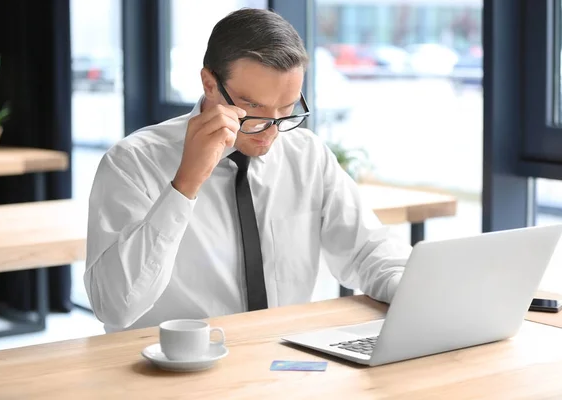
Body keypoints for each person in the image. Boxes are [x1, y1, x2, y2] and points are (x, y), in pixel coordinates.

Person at [85, 8, 412, 333]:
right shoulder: (133, 162)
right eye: (253, 108)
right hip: (173, 372)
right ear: (209, 84)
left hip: (284, 364)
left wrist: (412, 290)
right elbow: (115, 308)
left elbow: (368, 251)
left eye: (286, 110)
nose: (271, 130)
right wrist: (184, 185)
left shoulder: (306, 154)